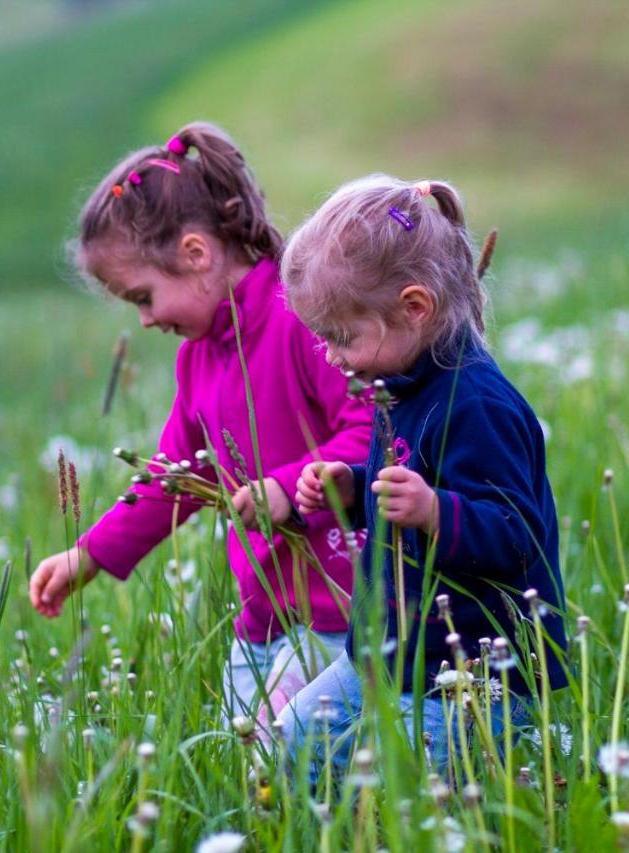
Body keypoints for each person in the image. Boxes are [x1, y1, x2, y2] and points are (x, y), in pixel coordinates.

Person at [28, 123, 372, 723]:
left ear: (196, 254)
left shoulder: (301, 319)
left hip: (343, 612)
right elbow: (172, 480)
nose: (143, 320)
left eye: (142, 297)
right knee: (250, 768)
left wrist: (289, 488)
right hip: (263, 618)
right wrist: (87, 557)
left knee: (298, 762)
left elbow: (374, 431)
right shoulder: (198, 359)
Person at [279, 174, 568, 778]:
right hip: (394, 653)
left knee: (419, 791)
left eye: (342, 337)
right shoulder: (400, 387)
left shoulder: (477, 404)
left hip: (471, 674)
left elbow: (518, 535)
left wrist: (436, 509)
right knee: (303, 732)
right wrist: (353, 491)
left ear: (414, 308)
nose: (331, 356)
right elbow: (400, 496)